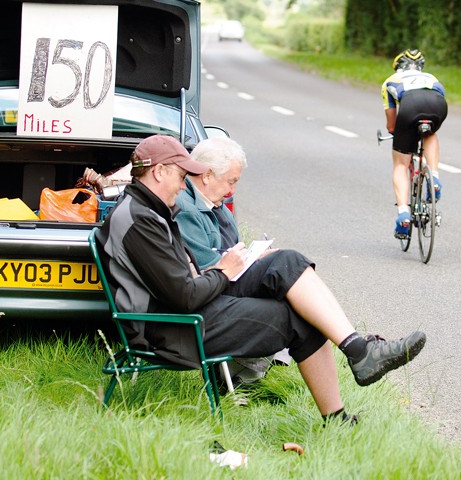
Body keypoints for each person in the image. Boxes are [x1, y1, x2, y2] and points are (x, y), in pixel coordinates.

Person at [96, 134, 426, 425]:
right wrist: (223, 271)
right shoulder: (141, 220)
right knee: (297, 315)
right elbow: (184, 296)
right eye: (182, 177)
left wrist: (223, 270)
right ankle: (352, 376)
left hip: (180, 316)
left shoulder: (144, 209)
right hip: (172, 329)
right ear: (158, 172)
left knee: (289, 264)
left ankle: (356, 360)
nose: (184, 185)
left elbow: (183, 283)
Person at [175, 136, 290, 386]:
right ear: (206, 175)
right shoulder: (188, 208)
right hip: (210, 298)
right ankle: (246, 375)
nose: (232, 190)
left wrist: (254, 259)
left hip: (218, 288)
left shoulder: (214, 206)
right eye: (231, 181)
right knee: (285, 274)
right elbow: (211, 268)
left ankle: (254, 370)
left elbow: (226, 256)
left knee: (285, 271)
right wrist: (255, 263)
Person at [381, 48, 448, 238]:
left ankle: (403, 215)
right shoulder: (432, 77)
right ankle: (434, 176)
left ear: (398, 67)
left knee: (400, 165)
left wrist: (398, 133)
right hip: (437, 105)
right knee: (431, 132)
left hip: (410, 105)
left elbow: (392, 124)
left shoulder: (390, 81)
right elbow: (439, 97)